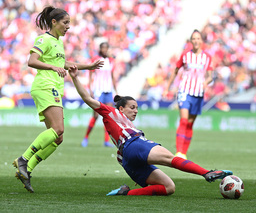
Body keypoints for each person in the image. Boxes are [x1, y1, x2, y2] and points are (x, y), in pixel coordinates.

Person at [68, 65, 232, 196]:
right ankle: (207, 173)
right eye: (132, 107)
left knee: (168, 187)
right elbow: (88, 98)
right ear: (121, 108)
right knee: (170, 158)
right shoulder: (111, 112)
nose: (135, 111)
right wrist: (75, 78)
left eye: (137, 108)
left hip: (126, 159)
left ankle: (126, 193)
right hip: (133, 145)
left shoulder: (125, 123)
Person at [12, 6, 103, 193]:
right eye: (65, 22)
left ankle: (26, 170)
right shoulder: (44, 39)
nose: (68, 26)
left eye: (69, 23)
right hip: (45, 86)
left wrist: (89, 66)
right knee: (58, 129)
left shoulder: (58, 42)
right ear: (54, 22)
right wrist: (53, 69)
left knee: (58, 138)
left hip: (53, 88)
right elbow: (32, 60)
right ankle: (23, 160)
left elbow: (64, 64)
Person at [163, 29, 213, 160]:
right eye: (194, 39)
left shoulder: (207, 57)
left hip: (198, 93)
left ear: (201, 41)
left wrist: (206, 82)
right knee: (184, 120)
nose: (196, 41)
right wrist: (167, 87)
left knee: (190, 123)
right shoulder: (185, 55)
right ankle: (179, 151)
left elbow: (210, 76)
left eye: (198, 38)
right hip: (184, 91)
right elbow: (175, 71)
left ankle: (183, 152)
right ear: (191, 41)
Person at [81, 42, 117, 148]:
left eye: (106, 48)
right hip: (98, 91)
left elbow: (112, 76)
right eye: (103, 48)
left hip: (108, 90)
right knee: (96, 115)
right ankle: (86, 137)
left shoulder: (111, 61)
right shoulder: (96, 59)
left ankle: (106, 141)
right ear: (100, 49)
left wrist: (116, 90)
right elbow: (91, 74)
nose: (105, 50)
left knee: (108, 116)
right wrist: (90, 89)